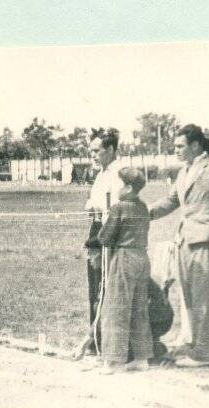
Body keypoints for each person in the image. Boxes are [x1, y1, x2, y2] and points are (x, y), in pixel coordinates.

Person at [149, 124, 209, 367]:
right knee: (189, 297)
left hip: (207, 241)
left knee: (206, 298)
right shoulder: (183, 171)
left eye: (180, 146)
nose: (175, 150)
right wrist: (143, 212)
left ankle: (205, 353)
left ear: (195, 145)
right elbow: (171, 201)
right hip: (184, 241)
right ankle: (195, 344)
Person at [97, 167, 153, 373]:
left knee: (115, 308)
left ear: (128, 187)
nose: (117, 188)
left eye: (120, 184)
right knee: (139, 308)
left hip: (124, 257)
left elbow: (105, 237)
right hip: (142, 257)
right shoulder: (143, 207)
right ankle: (142, 358)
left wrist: (104, 221)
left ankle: (111, 361)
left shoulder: (119, 207)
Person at [83, 129, 123, 353]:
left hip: (108, 234)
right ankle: (95, 341)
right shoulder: (100, 174)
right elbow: (92, 204)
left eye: (97, 151)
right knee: (95, 288)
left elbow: (115, 211)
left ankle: (105, 341)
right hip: (96, 231)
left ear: (110, 150)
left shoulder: (119, 174)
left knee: (105, 289)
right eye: (91, 152)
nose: (93, 156)